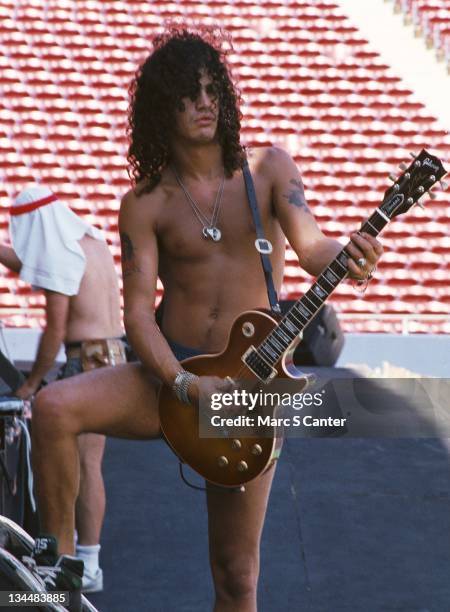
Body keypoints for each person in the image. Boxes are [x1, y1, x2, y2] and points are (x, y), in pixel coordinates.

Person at [30, 26, 383, 611]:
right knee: (52, 408)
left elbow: (314, 246)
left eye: (212, 89)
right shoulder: (145, 201)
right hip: (172, 374)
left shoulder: (268, 169)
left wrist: (352, 256)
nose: (203, 103)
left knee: (237, 574)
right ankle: (57, 577)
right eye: (187, 93)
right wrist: (185, 383)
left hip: (246, 389)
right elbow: (137, 316)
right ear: (161, 108)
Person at [0, 185, 126, 593]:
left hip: (85, 362)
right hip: (109, 357)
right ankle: (86, 562)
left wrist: (32, 384)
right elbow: (36, 269)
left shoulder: (60, 251)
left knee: (71, 470)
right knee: (88, 467)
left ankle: (75, 565)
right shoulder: (88, 242)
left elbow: (56, 325)